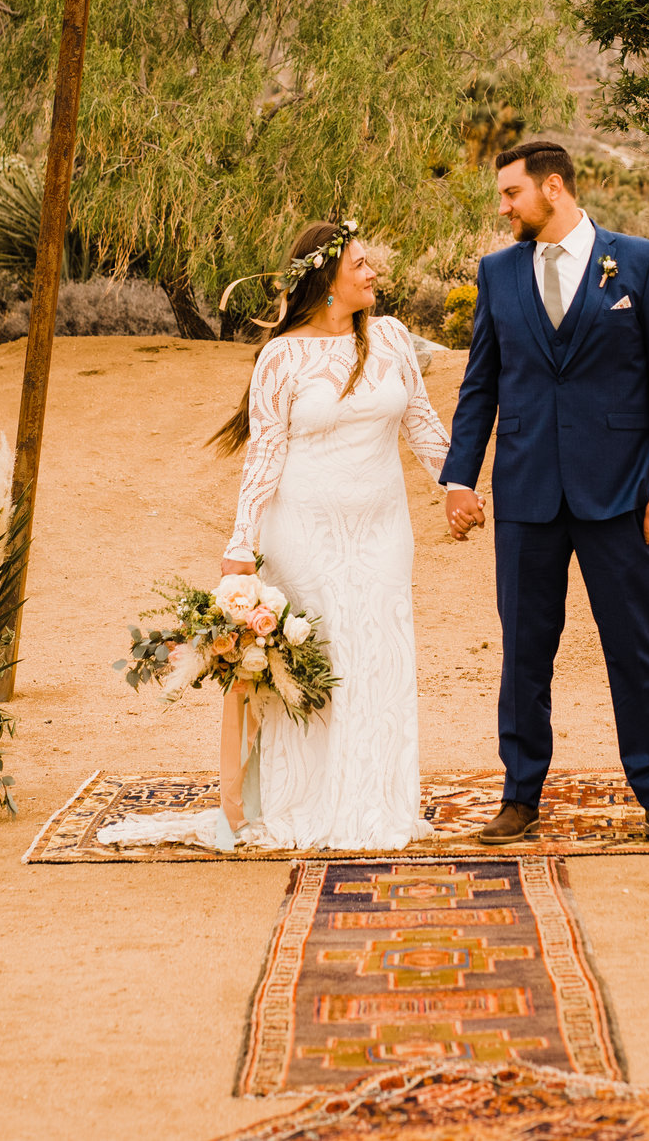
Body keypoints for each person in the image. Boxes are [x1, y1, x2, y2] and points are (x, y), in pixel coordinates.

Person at [95, 221, 449, 853]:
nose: (373, 274)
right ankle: (306, 802)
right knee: (323, 658)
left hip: (383, 531)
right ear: (327, 280)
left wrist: (458, 487)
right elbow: (264, 455)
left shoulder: (392, 338)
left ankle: (377, 803)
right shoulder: (283, 357)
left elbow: (421, 423)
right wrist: (240, 544)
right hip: (305, 534)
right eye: (361, 265)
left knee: (378, 655)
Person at [440, 141, 649, 846]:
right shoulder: (498, 274)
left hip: (619, 493)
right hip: (525, 492)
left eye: (511, 194)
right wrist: (460, 476)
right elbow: (481, 384)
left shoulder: (638, 263)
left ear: (553, 188)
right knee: (525, 650)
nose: (503, 207)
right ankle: (520, 796)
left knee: (633, 645)